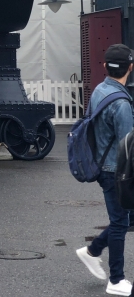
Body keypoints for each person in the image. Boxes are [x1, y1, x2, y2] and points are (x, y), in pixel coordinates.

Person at [76, 44, 134, 296]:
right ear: (130, 67)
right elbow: (128, 145)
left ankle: (93, 249)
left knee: (126, 219)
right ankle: (117, 280)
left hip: (101, 165)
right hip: (116, 171)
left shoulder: (100, 90)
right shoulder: (121, 103)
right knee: (121, 222)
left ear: (105, 67)